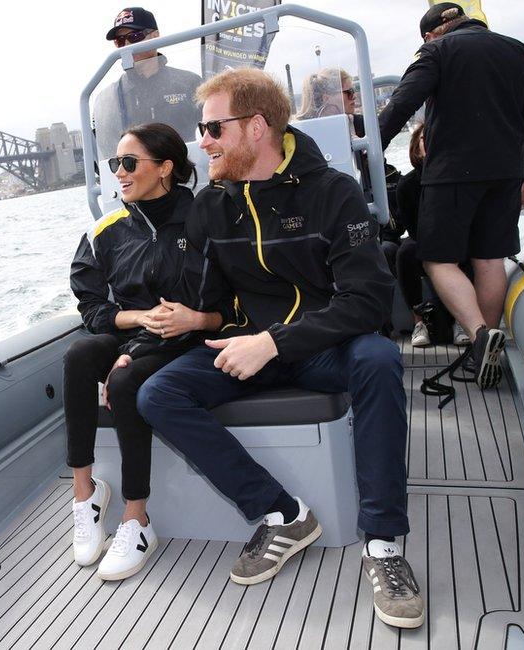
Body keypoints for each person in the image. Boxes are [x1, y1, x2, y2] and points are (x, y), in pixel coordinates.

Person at [137, 68, 424, 629]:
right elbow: (205, 305)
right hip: (247, 346)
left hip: (321, 348)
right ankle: (281, 512)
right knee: (157, 393)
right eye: (201, 129)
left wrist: (272, 342)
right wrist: (139, 348)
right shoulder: (211, 207)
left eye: (213, 128)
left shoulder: (333, 193)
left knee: (379, 358)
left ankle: (384, 545)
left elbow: (366, 302)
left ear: (257, 127)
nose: (203, 141)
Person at [67, 122, 228, 581]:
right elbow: (93, 307)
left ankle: (136, 517)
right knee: (79, 356)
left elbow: (228, 303)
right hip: (138, 329)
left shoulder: (205, 219)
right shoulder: (108, 230)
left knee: (124, 378)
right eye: (115, 163)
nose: (119, 172)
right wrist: (137, 323)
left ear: (166, 169)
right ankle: (85, 494)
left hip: (189, 336)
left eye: (130, 162)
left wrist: (180, 324)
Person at [379, 2, 524, 388]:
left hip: (451, 173)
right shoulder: (522, 52)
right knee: (489, 258)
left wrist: (373, 148)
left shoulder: (436, 52)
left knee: (438, 259)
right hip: (506, 174)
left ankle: (478, 335)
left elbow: (402, 104)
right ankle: (482, 352)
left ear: (430, 34)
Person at [395, 122, 470, 348]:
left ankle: (461, 320)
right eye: (426, 140)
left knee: (469, 248)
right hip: (423, 241)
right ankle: (420, 322)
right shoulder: (407, 185)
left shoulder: (460, 179)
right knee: (405, 252)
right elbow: (411, 226)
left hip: (455, 240)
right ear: (417, 148)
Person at [93, 7, 203, 159]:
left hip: (187, 174)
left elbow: (214, 132)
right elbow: (108, 155)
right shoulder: (108, 98)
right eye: (119, 41)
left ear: (155, 36)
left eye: (135, 36)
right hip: (139, 180)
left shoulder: (190, 82)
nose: (127, 45)